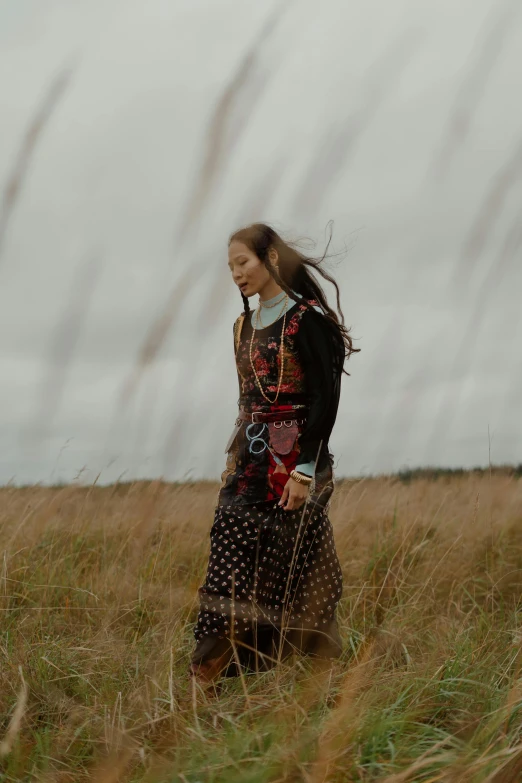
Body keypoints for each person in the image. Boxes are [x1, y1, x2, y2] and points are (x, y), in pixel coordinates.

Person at [190, 222, 359, 682]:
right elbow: (246, 398)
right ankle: (208, 672)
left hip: (297, 466)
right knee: (227, 565)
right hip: (249, 465)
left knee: (297, 573)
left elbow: (326, 400)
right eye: (230, 267)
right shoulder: (241, 326)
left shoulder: (308, 321)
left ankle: (316, 675)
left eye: (242, 262)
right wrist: (236, 457)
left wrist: (305, 471)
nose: (236, 274)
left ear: (270, 260)